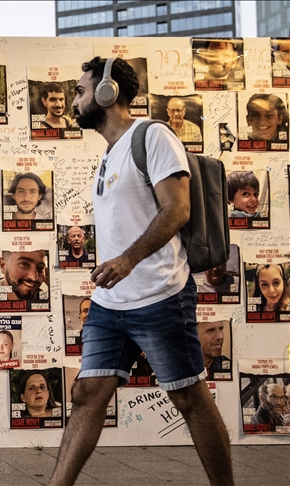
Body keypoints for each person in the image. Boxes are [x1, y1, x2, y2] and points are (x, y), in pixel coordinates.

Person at [50, 57, 232, 486]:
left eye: (80, 91)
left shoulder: (153, 136)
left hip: (159, 297)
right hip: (110, 304)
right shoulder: (110, 153)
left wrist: (128, 260)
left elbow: (177, 208)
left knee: (188, 398)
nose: (74, 101)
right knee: (87, 394)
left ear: (108, 92)